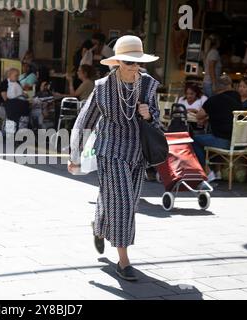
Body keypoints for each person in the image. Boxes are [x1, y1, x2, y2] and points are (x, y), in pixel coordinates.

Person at [68, 35, 160, 281]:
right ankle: (124, 261)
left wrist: (149, 114)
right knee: (124, 202)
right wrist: (74, 155)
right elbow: (84, 121)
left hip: (137, 154)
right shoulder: (102, 87)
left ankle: (99, 228)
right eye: (129, 62)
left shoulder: (149, 85)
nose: (134, 67)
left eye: (137, 62)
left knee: (116, 199)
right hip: (110, 150)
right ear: (118, 62)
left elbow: (158, 122)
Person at [193, 75, 243, 181]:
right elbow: (226, 113)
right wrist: (210, 116)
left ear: (216, 87)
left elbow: (199, 116)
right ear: (231, 85)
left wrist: (207, 116)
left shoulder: (213, 100)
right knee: (209, 136)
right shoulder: (237, 97)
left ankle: (208, 172)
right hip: (240, 143)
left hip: (224, 142)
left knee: (194, 140)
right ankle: (217, 171)